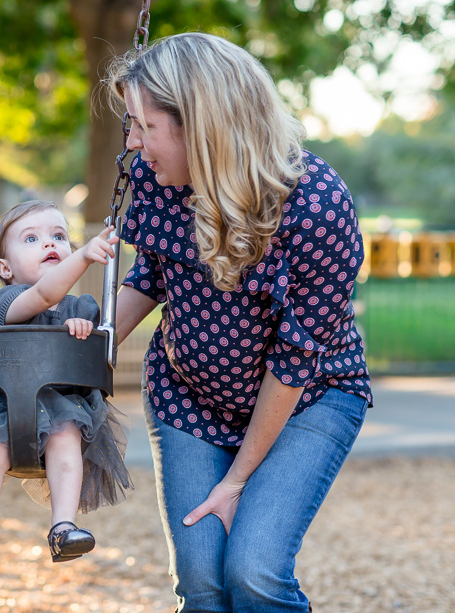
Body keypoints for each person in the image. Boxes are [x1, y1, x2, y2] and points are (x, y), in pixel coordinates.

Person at [107, 33, 372, 612]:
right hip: (190, 398)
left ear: (200, 125)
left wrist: (236, 482)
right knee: (203, 585)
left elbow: (295, 362)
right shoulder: (158, 178)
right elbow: (151, 270)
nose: (132, 143)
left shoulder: (316, 207)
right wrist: (86, 352)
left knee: (252, 572)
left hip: (308, 398)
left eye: (143, 127)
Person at [0, 200, 134, 601]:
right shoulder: (9, 302)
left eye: (59, 236)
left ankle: (63, 528)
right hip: (4, 411)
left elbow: (83, 326)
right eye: (32, 238)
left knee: (67, 436)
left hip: (63, 409)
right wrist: (84, 257)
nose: (50, 244)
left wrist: (83, 326)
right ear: (5, 269)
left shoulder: (82, 307)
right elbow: (43, 294)